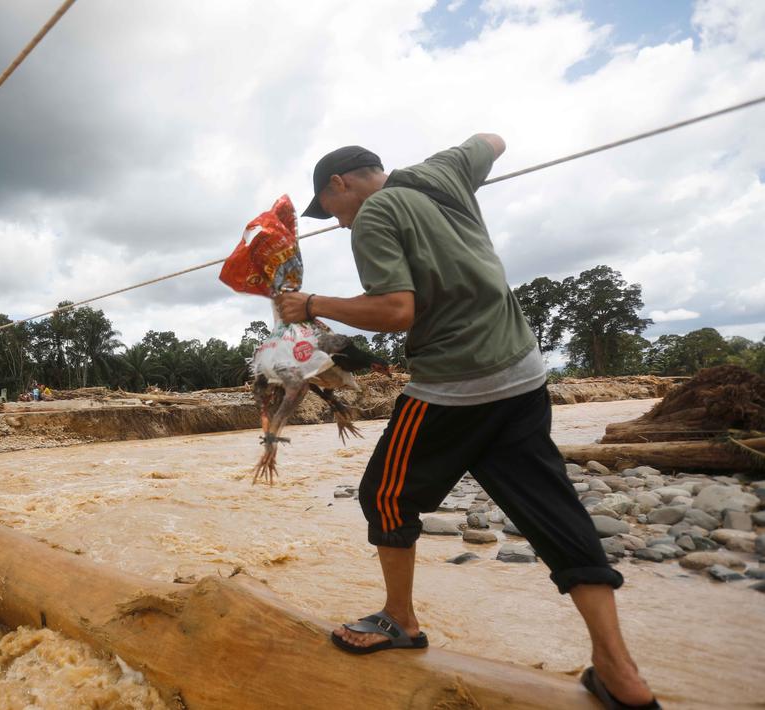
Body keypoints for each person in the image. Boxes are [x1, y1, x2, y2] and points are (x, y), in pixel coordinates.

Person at [278, 136, 657, 709]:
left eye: (329, 209)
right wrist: (464, 173)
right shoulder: (443, 170)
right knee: (554, 513)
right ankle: (619, 670)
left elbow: (395, 312)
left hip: (454, 387)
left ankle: (400, 621)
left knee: (383, 494)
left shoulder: (375, 214)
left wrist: (312, 305)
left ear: (341, 184)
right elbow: (492, 141)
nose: (334, 221)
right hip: (523, 377)